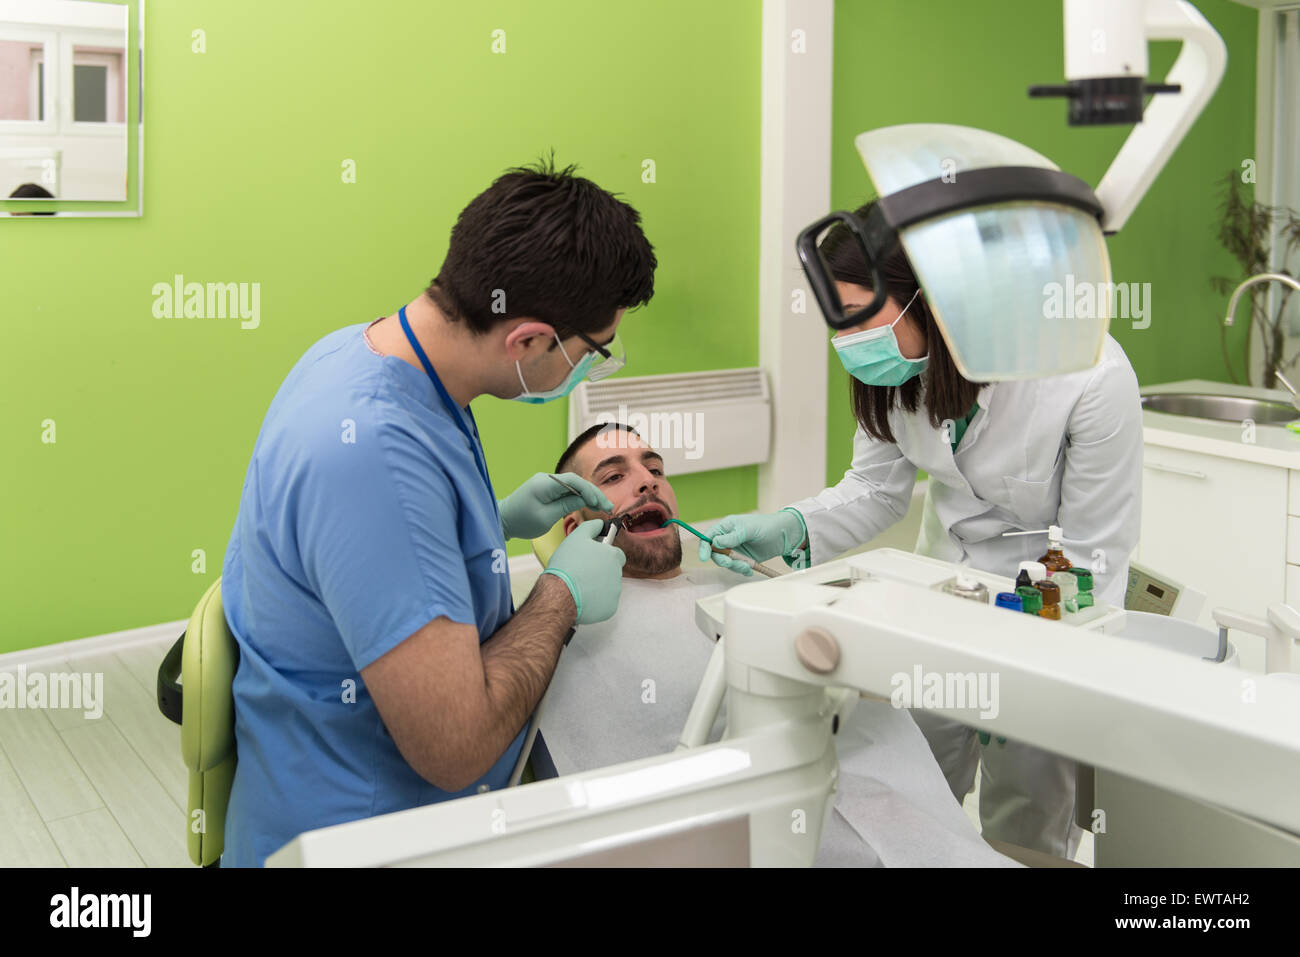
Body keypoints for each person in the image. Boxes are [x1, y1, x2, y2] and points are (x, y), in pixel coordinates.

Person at [220, 159, 656, 866]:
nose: (592, 365)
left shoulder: (365, 355)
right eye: (592, 351)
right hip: (363, 836)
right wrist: (560, 595)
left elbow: (377, 546)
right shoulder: (371, 455)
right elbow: (455, 749)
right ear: (528, 341)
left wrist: (490, 521)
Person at [702, 200, 1143, 858]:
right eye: (835, 320)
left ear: (934, 300)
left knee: (1024, 828)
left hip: (1048, 615)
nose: (846, 339)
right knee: (912, 803)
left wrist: (1022, 664)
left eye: (858, 317)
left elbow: (1092, 555)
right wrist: (790, 525)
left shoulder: (1088, 376)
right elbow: (877, 488)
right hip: (935, 601)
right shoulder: (901, 373)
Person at [536, 422, 1018, 867]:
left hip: (919, 832)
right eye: (614, 476)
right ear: (574, 528)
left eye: (656, 468)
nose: (648, 481)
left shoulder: (746, 588)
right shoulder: (571, 638)